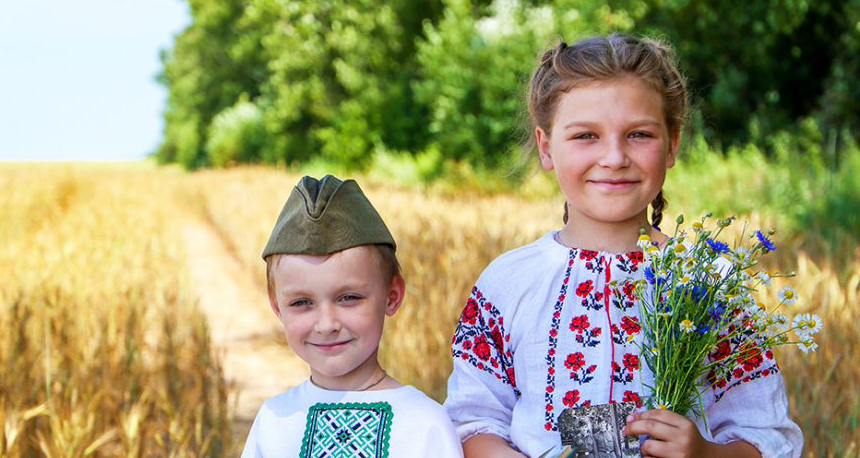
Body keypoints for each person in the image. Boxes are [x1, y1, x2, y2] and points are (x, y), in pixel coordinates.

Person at [444, 33, 803, 458]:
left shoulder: (710, 285)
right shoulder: (507, 284)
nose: (614, 157)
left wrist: (705, 453)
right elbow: (471, 423)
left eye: (638, 134)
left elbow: (770, 438)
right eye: (585, 136)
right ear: (546, 147)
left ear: (672, 143)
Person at [241, 175, 463, 458]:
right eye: (301, 302)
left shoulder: (424, 424)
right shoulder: (273, 420)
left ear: (392, 296)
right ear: (277, 307)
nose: (327, 324)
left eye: (348, 298)